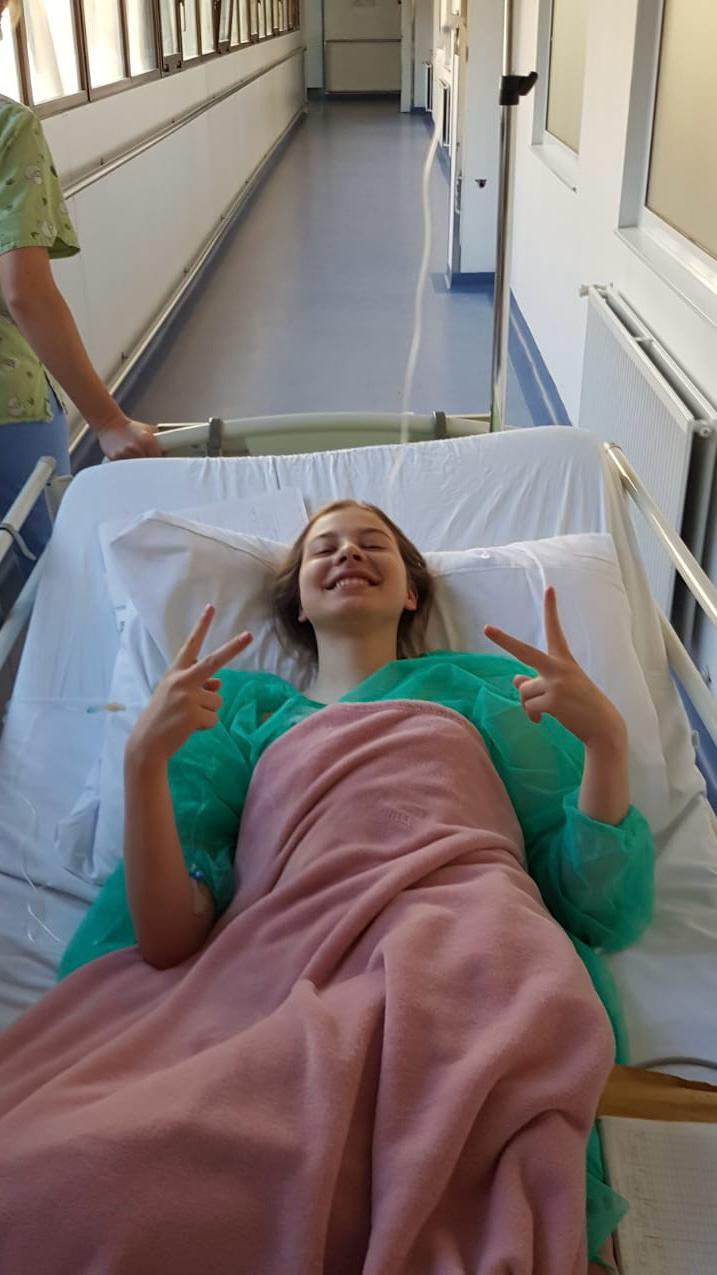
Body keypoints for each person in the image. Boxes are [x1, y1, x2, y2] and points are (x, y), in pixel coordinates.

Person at [45, 499, 653, 1267]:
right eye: (322, 548)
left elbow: (592, 904)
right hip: (288, 963)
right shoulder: (235, 712)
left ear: (411, 592)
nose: (347, 553)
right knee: (84, 1176)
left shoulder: (487, 693)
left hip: (474, 936)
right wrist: (142, 763)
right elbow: (169, 939)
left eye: (372, 543)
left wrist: (605, 744)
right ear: (297, 602)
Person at [0, 68, 160, 563]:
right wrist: (108, 421)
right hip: (7, 404)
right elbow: (25, 292)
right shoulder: (8, 125)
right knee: (56, 564)